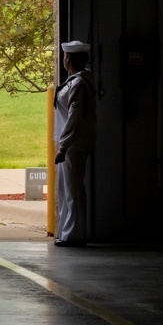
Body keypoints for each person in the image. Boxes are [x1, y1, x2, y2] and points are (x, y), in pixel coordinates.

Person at [53, 40, 97, 247]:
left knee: (73, 188)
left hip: (73, 142)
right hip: (70, 141)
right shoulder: (75, 81)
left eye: (65, 56)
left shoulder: (79, 83)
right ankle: (68, 231)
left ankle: (75, 234)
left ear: (68, 58)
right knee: (68, 188)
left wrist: (64, 146)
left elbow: (74, 117)